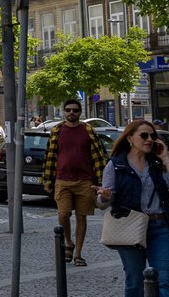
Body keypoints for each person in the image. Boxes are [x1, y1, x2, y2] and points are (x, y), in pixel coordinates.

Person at [98, 118, 169, 297]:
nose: (149, 139)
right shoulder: (116, 165)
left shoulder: (156, 163)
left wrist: (165, 158)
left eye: (152, 136)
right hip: (130, 227)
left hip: (160, 226)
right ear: (130, 138)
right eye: (144, 135)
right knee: (134, 282)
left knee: (163, 281)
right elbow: (103, 202)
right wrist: (104, 196)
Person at [42, 98, 106, 267]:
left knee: (81, 216)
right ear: (64, 112)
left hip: (85, 180)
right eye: (68, 110)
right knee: (63, 214)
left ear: (80, 113)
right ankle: (68, 242)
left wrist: (101, 181)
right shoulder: (57, 131)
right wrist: (47, 180)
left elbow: (99, 156)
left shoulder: (88, 130)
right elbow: (49, 156)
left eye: (75, 110)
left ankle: (78, 254)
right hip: (62, 179)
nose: (71, 113)